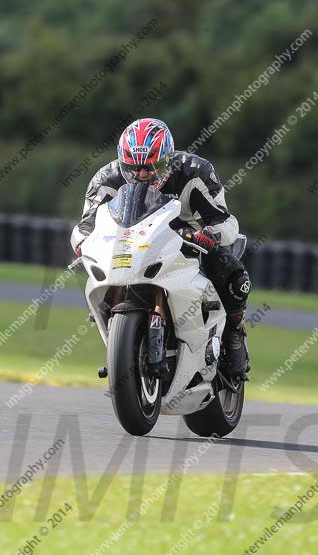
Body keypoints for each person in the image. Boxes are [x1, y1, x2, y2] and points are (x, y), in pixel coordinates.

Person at [70, 118, 251, 375]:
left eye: (151, 166)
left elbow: (225, 220)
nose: (142, 174)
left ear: (168, 158)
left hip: (189, 241)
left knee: (230, 270)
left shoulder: (195, 171)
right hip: (131, 246)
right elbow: (86, 226)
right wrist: (83, 243)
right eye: (133, 168)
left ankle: (235, 332)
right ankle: (122, 345)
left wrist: (211, 234)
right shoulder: (106, 180)